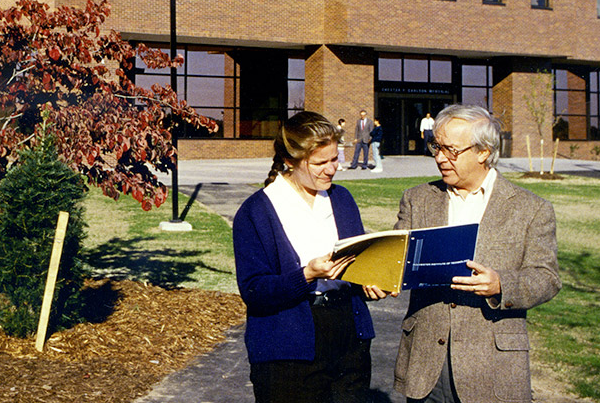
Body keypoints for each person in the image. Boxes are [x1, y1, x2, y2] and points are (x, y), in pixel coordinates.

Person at [393, 104, 561, 403]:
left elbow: (546, 278)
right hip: (425, 366)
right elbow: (396, 260)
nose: (440, 157)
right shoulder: (417, 199)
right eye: (436, 146)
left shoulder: (531, 209)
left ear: (484, 152)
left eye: (451, 150)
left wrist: (501, 285)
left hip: (492, 370)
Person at [234, 111, 385, 403]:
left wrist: (371, 283)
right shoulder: (257, 211)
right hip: (287, 346)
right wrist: (307, 274)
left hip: (349, 337)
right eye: (320, 163)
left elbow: (356, 266)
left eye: (335, 159)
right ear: (289, 161)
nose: (332, 169)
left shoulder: (342, 199)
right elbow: (254, 290)